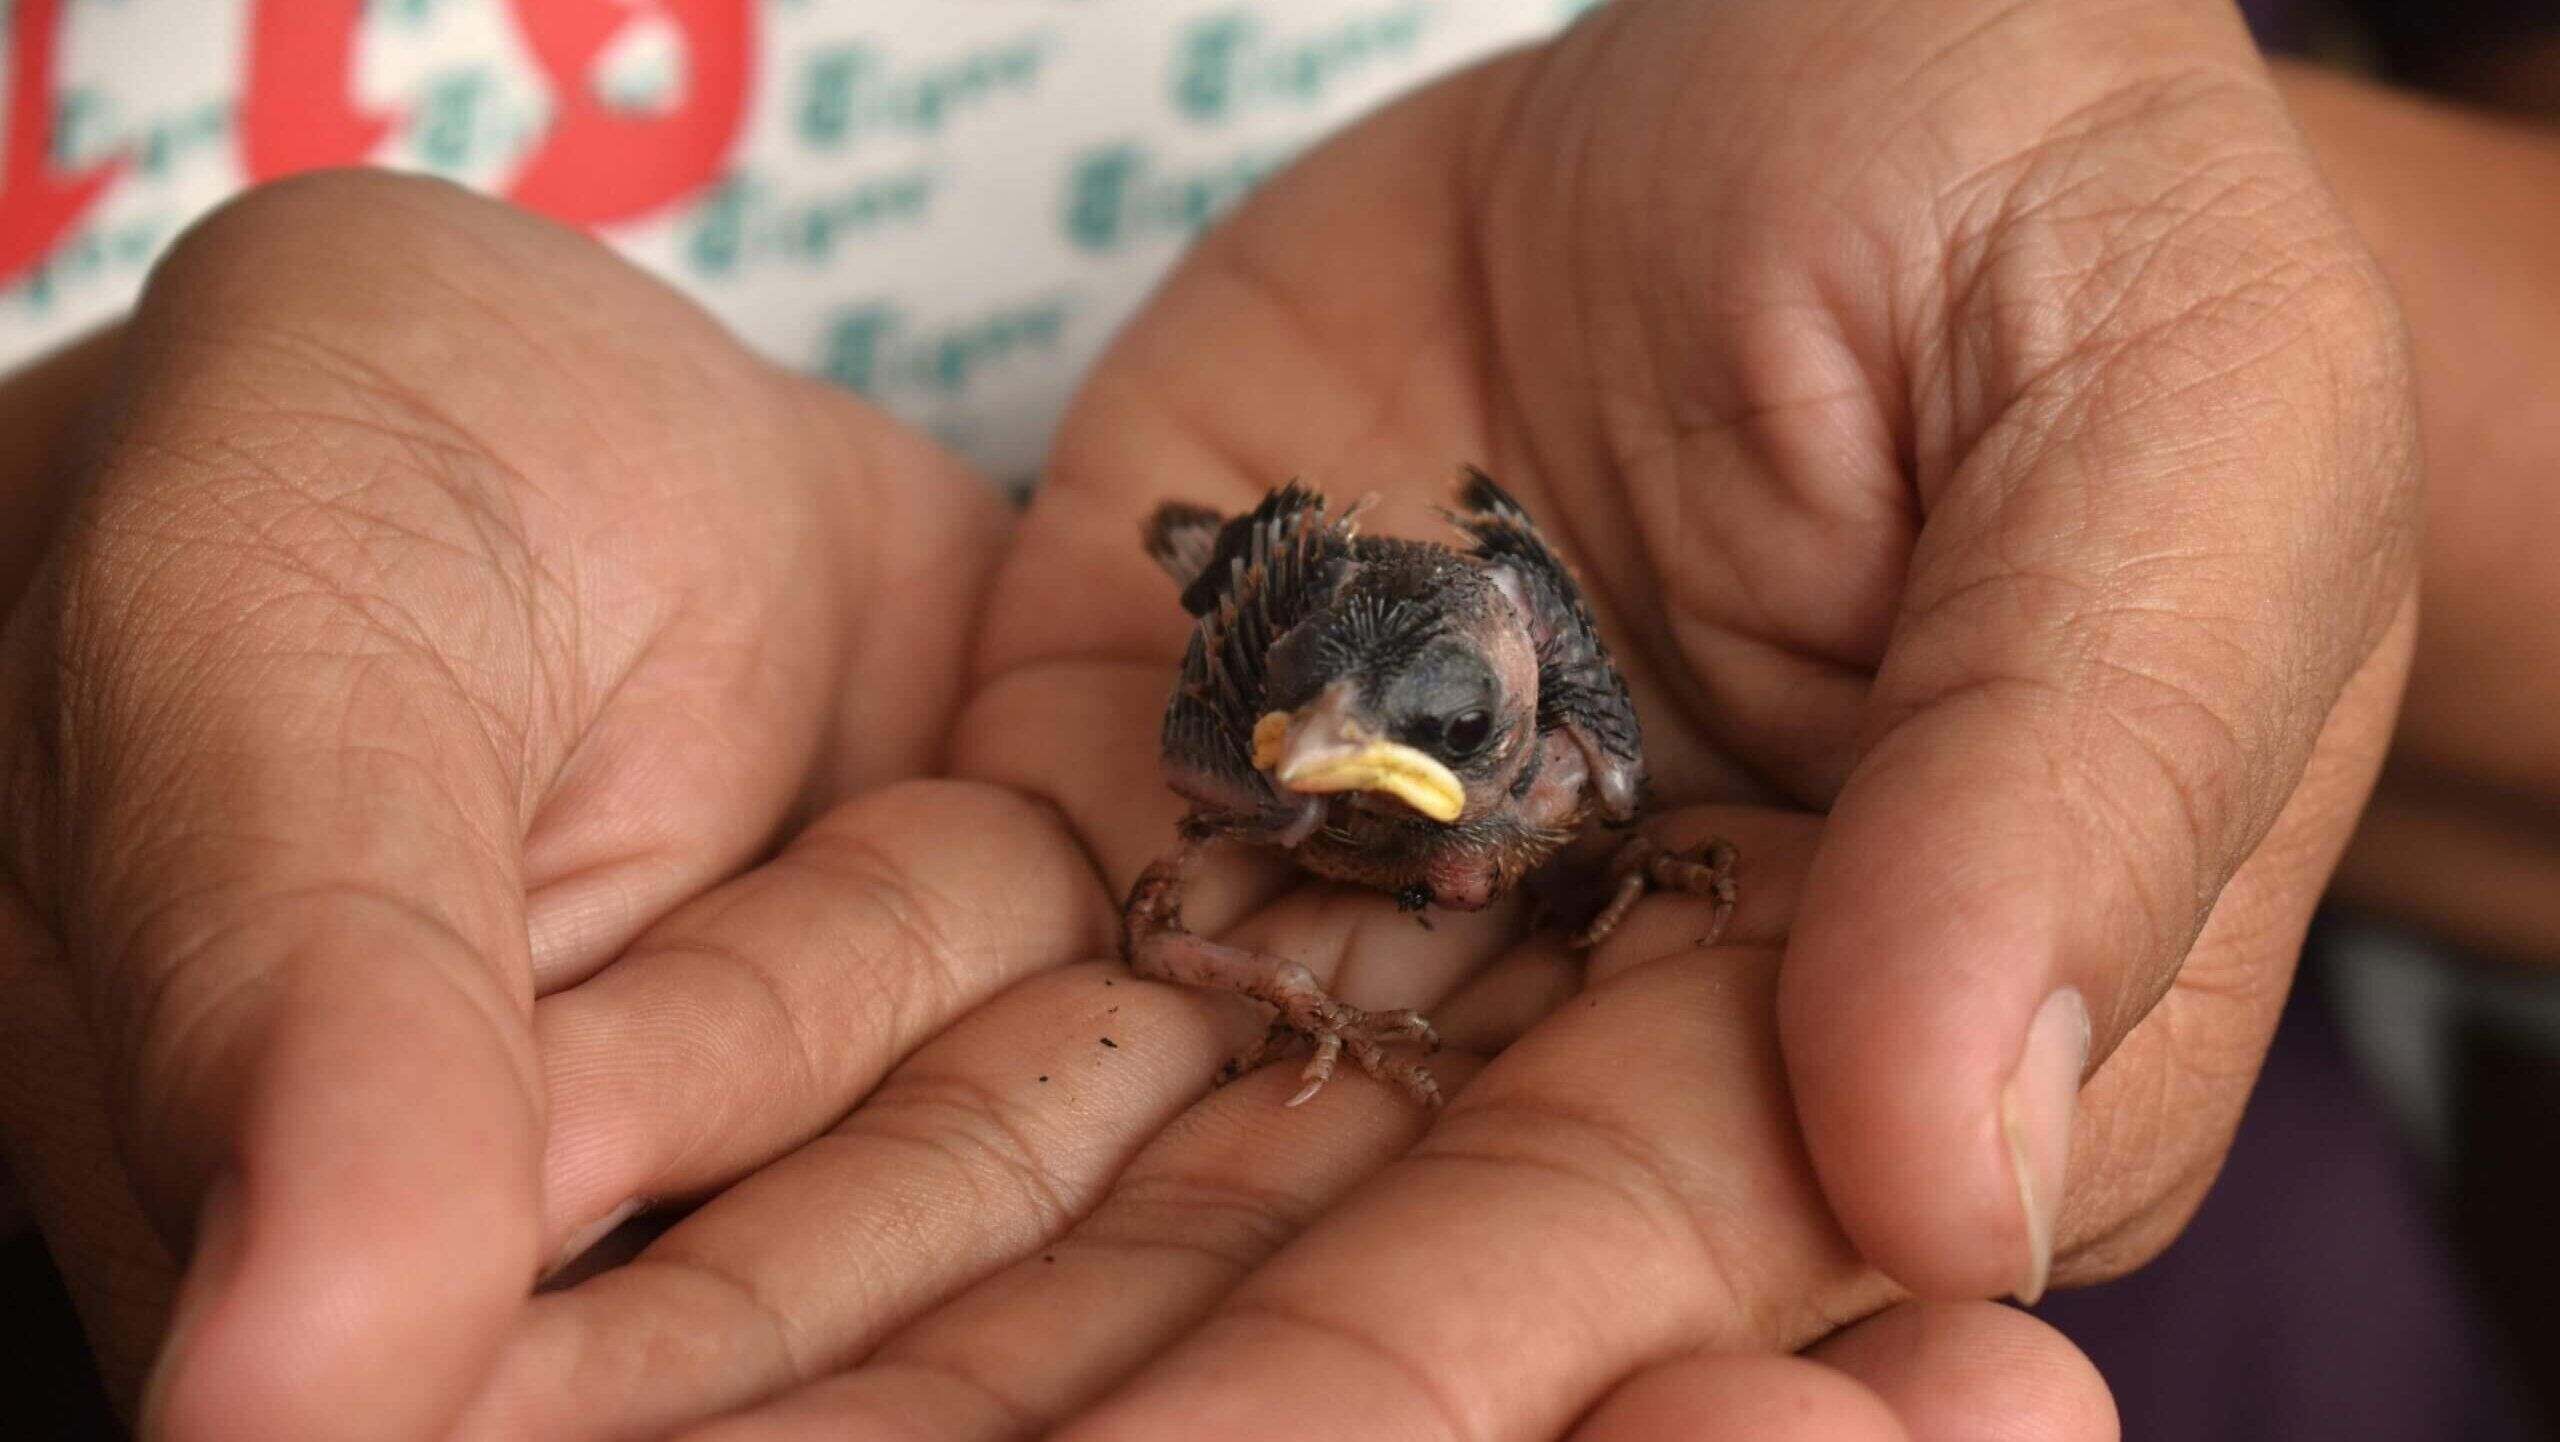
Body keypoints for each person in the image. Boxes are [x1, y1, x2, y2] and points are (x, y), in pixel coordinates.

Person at [10, 0, 2532, 1435]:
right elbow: (1212, 824)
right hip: (746, 968)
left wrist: (2230, 341)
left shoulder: (1547, 701)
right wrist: (63, 521)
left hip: (2147, 1284)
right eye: (1334, 754)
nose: (1361, 780)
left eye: (1418, 755)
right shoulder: (1270, 731)